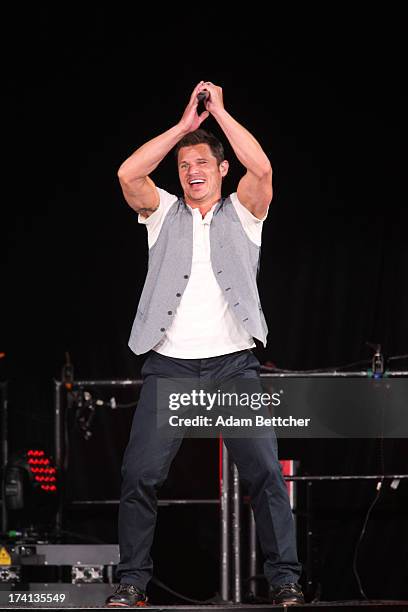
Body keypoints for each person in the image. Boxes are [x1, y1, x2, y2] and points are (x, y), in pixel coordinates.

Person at [106, 81, 304, 607]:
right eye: (184, 164)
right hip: (169, 367)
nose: (191, 170)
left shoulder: (243, 212)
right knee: (139, 476)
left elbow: (261, 169)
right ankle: (132, 582)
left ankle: (285, 579)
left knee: (264, 473)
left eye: (202, 162)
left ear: (221, 170)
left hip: (232, 366)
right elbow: (128, 174)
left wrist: (220, 112)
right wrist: (183, 129)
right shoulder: (161, 214)